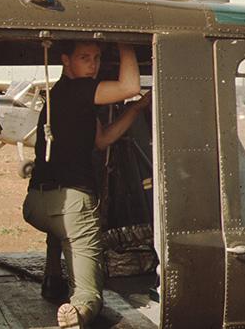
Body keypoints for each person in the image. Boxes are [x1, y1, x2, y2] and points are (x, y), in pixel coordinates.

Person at [22, 41, 150, 329]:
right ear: (66, 61)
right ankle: (78, 313)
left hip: (37, 205)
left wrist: (136, 109)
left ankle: (52, 275)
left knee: (60, 227)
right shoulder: (80, 89)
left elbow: (102, 140)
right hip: (72, 205)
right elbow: (129, 86)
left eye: (97, 58)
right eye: (84, 58)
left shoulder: (60, 94)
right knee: (89, 292)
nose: (93, 65)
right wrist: (125, 43)